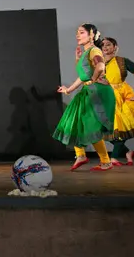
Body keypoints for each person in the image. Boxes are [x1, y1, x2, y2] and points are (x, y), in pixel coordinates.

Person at [53, 23, 115, 171]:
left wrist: (93, 79)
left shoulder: (94, 51)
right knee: (73, 119)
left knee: (90, 125)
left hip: (98, 92)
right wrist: (68, 89)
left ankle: (104, 161)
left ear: (91, 34)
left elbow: (100, 66)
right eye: (77, 33)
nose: (77, 35)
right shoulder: (86, 53)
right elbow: (82, 77)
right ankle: (82, 155)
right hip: (90, 90)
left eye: (81, 32)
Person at [100, 37, 134, 166]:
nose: (105, 47)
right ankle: (127, 152)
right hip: (105, 97)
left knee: (119, 129)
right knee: (103, 130)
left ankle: (114, 158)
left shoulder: (122, 61)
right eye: (102, 45)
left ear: (115, 47)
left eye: (108, 44)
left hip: (122, 98)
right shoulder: (98, 63)